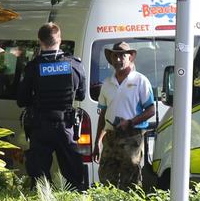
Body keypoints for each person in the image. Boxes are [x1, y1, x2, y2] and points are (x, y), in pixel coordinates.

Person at [17, 22, 86, 190]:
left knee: (40, 181)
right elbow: (81, 95)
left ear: (40, 41)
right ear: (60, 40)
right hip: (66, 127)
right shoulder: (75, 65)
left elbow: (22, 100)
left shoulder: (33, 67)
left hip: (40, 128)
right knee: (74, 180)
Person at [93, 41, 155, 189]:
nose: (118, 59)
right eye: (115, 56)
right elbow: (103, 115)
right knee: (106, 179)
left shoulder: (140, 81)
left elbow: (151, 110)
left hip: (132, 136)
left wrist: (130, 122)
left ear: (130, 57)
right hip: (110, 137)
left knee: (131, 181)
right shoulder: (107, 83)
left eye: (122, 56)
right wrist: (97, 142)